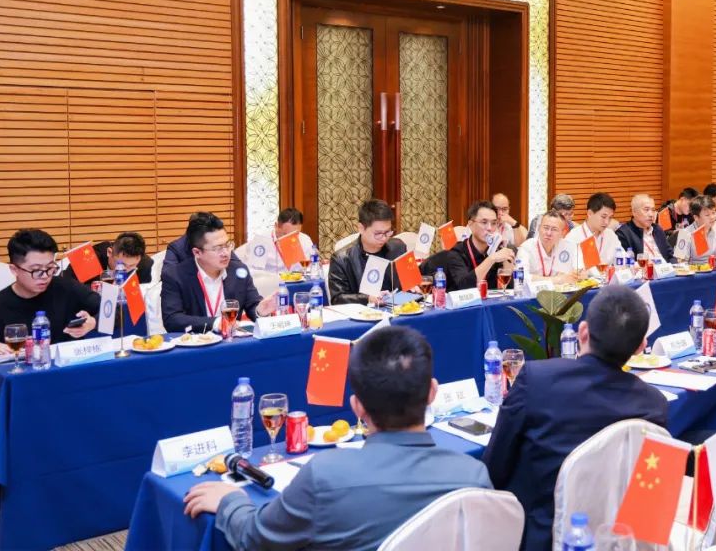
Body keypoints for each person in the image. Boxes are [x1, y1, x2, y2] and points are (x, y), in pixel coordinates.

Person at [184, 326, 492, 550]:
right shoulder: (473, 476)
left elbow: (256, 538)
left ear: (357, 406)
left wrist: (231, 501)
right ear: (433, 392)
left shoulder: (325, 476)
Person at [483, 285, 668, 551]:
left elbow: (494, 469)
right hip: (616, 541)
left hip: (541, 540)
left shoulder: (536, 381)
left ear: (582, 332)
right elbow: (652, 506)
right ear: (641, 347)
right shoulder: (654, 405)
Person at [160, 212, 274, 332]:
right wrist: (215, 323)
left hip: (232, 341)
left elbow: (253, 305)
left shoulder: (238, 271)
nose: (226, 253)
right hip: (195, 341)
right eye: (217, 248)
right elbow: (172, 320)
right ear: (197, 252)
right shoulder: (175, 276)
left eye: (227, 245)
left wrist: (260, 311)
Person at [0, 229, 98, 351]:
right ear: (14, 270)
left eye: (50, 268)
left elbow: (114, 310)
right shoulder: (1, 303)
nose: (45, 276)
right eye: (36, 270)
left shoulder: (66, 287)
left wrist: (94, 322)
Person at [328, 200, 407, 306]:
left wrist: (413, 286)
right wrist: (368, 298)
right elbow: (337, 299)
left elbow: (408, 282)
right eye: (378, 233)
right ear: (361, 228)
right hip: (363, 313)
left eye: (388, 232)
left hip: (399, 309)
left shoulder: (398, 247)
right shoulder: (341, 259)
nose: (384, 238)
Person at [443, 200, 516, 291]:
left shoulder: (497, 251)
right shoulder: (457, 253)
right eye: (484, 222)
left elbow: (509, 289)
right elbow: (464, 286)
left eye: (493, 223)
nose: (489, 228)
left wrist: (506, 260)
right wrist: (491, 259)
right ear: (470, 224)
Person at [61, 231, 153, 286]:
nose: (125, 270)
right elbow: (67, 286)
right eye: (121, 264)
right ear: (109, 252)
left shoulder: (145, 264)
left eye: (132, 266)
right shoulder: (88, 258)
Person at [243, 208, 314, 274]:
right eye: (286, 234)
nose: (291, 238)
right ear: (276, 226)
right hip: (270, 282)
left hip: (297, 281)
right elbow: (253, 272)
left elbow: (311, 267)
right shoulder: (261, 241)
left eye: (295, 234)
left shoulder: (305, 239)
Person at [515, 211, 579, 285]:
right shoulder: (526, 248)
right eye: (546, 228)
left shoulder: (569, 246)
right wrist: (558, 279)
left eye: (554, 229)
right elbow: (519, 278)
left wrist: (578, 274)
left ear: (562, 233)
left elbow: (578, 271)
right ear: (539, 228)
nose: (548, 233)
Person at [565, 192, 620, 270]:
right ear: (590, 213)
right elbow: (569, 269)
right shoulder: (573, 237)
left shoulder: (610, 234)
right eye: (603, 217)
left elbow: (623, 259)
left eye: (610, 217)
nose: (607, 222)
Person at [615, 194, 674, 262]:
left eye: (653, 210)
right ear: (634, 212)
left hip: (665, 267)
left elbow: (671, 255)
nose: (651, 214)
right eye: (646, 210)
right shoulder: (623, 234)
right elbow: (627, 263)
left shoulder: (657, 229)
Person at [685, 196, 716, 264]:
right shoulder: (685, 234)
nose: (712, 217)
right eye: (707, 215)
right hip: (697, 269)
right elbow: (681, 264)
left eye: (713, 212)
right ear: (696, 217)